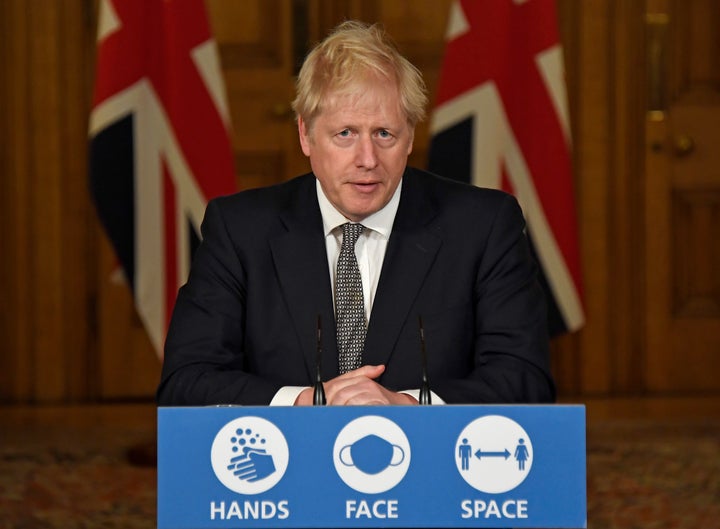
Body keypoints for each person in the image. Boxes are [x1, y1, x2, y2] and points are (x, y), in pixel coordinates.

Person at [157, 20, 555, 407]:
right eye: (345, 133)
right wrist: (304, 403)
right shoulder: (240, 230)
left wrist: (409, 406)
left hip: (429, 464)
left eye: (384, 133)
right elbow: (187, 380)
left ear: (410, 136)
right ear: (305, 134)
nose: (367, 160)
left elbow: (524, 377)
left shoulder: (483, 226)